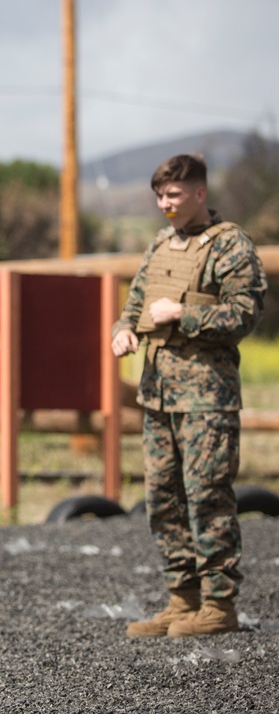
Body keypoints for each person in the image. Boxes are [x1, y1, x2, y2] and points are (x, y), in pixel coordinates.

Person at [111, 153, 267, 638]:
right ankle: (182, 601)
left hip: (206, 398)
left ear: (200, 193)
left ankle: (219, 607)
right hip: (158, 395)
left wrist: (182, 314)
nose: (165, 205)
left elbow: (244, 314)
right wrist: (123, 331)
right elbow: (135, 304)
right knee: (163, 501)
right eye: (160, 196)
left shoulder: (231, 245)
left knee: (207, 498)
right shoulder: (160, 243)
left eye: (174, 195)